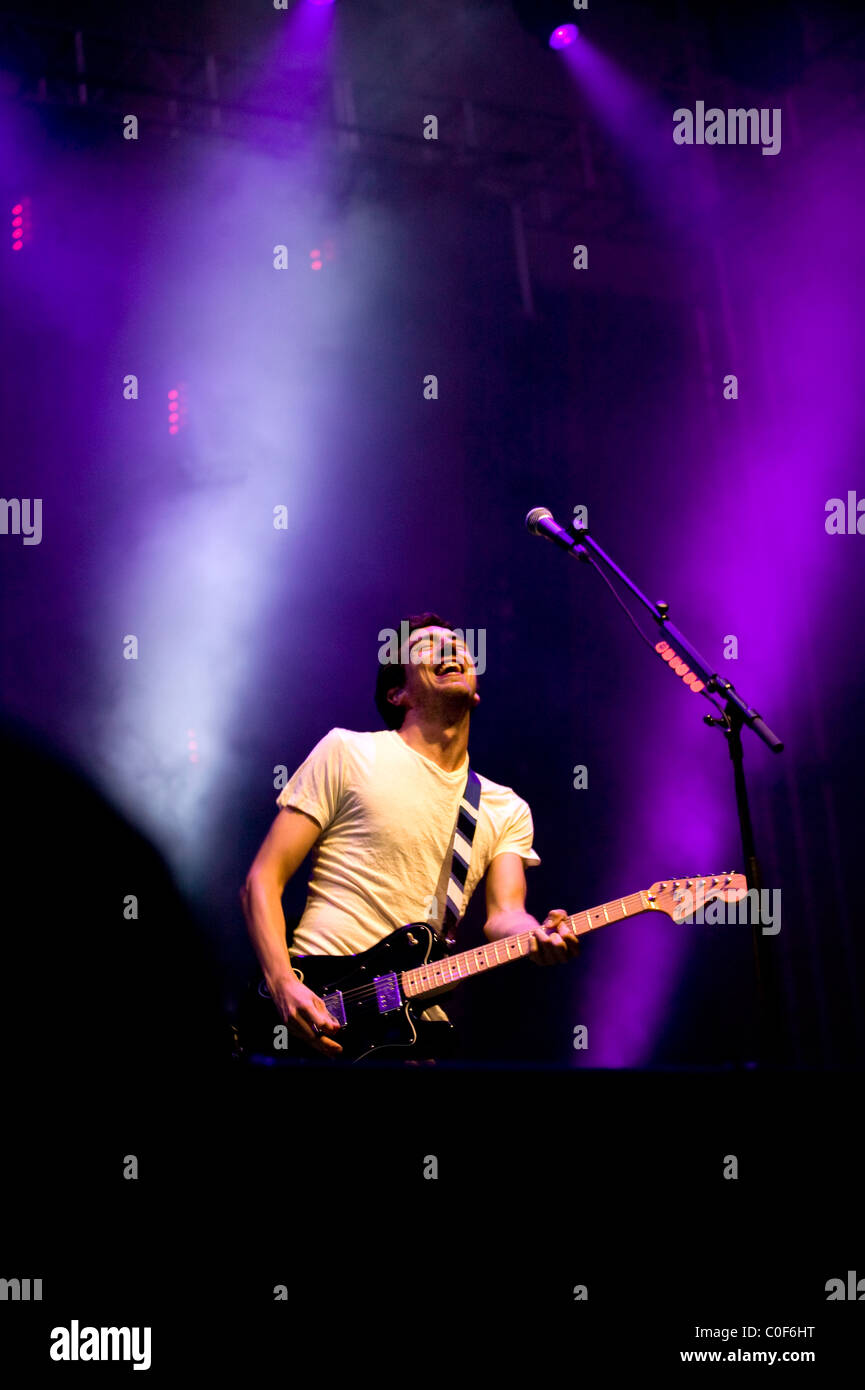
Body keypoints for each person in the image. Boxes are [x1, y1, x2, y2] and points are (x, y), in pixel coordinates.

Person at [240, 612, 579, 1060]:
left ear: (476, 692)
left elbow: (504, 916)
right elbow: (262, 881)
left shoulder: (505, 807)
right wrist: (283, 983)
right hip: (316, 1005)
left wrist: (538, 935)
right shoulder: (348, 751)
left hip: (408, 1031)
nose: (451, 650)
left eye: (458, 644)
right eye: (426, 647)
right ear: (397, 693)